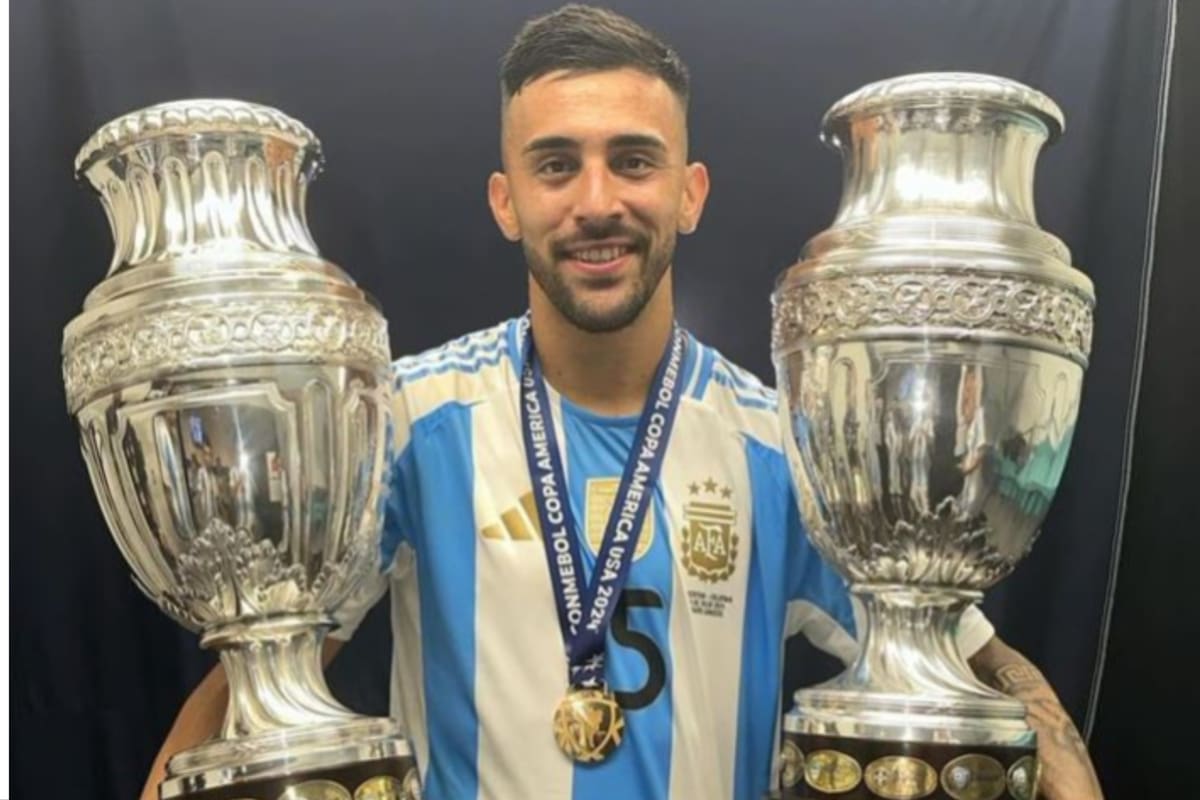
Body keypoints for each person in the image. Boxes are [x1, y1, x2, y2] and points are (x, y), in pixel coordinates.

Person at [141, 6, 1103, 799]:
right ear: (505, 200)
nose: (596, 201)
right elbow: (259, 671)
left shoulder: (784, 445)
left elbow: (965, 656)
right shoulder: (405, 423)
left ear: (690, 193)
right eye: (555, 165)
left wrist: (1065, 765)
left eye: (633, 161)